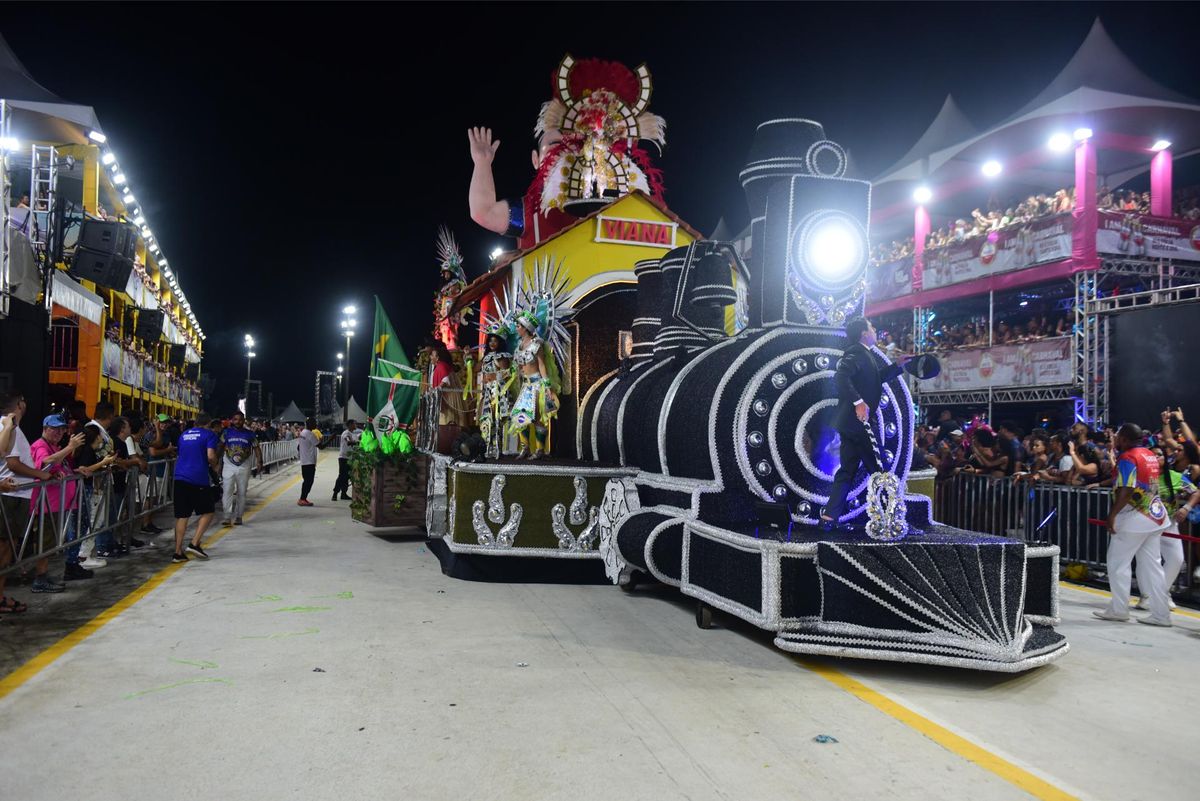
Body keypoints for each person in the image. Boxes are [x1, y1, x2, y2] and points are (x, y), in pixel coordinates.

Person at [821, 318, 910, 530]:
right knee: (881, 470)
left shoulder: (864, 354)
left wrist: (896, 367)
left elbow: (874, 379)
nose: (875, 330)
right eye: (871, 327)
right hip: (859, 423)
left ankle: (828, 520)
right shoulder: (856, 352)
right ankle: (893, 521)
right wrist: (858, 402)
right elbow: (841, 376)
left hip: (851, 425)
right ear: (863, 333)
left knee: (847, 472)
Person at [1094, 424, 1171, 626]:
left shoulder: (1128, 458)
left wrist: (1112, 515)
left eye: (1118, 437)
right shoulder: (1149, 454)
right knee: (1154, 567)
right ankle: (1162, 615)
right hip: (1156, 516)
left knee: (1118, 564)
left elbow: (1126, 489)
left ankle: (1119, 610)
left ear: (1126, 440)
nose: (1116, 440)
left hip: (1134, 517)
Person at [1141, 445, 1199, 611]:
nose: (1156, 458)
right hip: (1145, 524)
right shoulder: (1141, 476)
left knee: (1176, 559)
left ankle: (1160, 593)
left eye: (1159, 455)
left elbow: (1196, 492)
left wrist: (1186, 508)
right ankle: (1150, 596)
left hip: (1168, 523)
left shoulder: (1173, 476)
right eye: (1152, 455)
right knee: (1149, 562)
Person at [171, 413, 219, 563]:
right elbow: (210, 455)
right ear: (208, 424)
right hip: (197, 478)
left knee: (182, 516)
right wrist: (215, 465)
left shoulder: (184, 434)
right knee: (208, 511)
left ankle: (178, 552)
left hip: (179, 477)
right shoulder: (209, 434)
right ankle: (194, 543)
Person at [219, 411, 255, 526]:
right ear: (232, 420)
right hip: (229, 465)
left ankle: (239, 516)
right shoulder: (226, 432)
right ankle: (227, 517)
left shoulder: (250, 434)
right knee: (227, 490)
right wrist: (216, 461)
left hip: (244, 466)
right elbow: (220, 446)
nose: (238, 421)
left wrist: (260, 461)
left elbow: (257, 448)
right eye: (235, 419)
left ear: (244, 420)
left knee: (242, 491)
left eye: (240, 419)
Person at [332, 419, 361, 501]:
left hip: (349, 458)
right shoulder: (346, 433)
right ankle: (335, 493)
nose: (356, 425)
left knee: (347, 477)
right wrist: (356, 442)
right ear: (350, 424)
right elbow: (348, 441)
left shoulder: (351, 433)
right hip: (344, 458)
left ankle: (343, 494)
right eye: (355, 423)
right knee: (342, 476)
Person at [297, 417, 319, 507]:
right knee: (309, 481)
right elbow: (321, 446)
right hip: (309, 461)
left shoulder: (303, 433)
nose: (315, 424)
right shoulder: (310, 434)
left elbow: (298, 447)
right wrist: (331, 439)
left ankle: (303, 498)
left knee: (306, 481)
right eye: (314, 423)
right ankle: (302, 499)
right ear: (309, 424)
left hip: (304, 461)